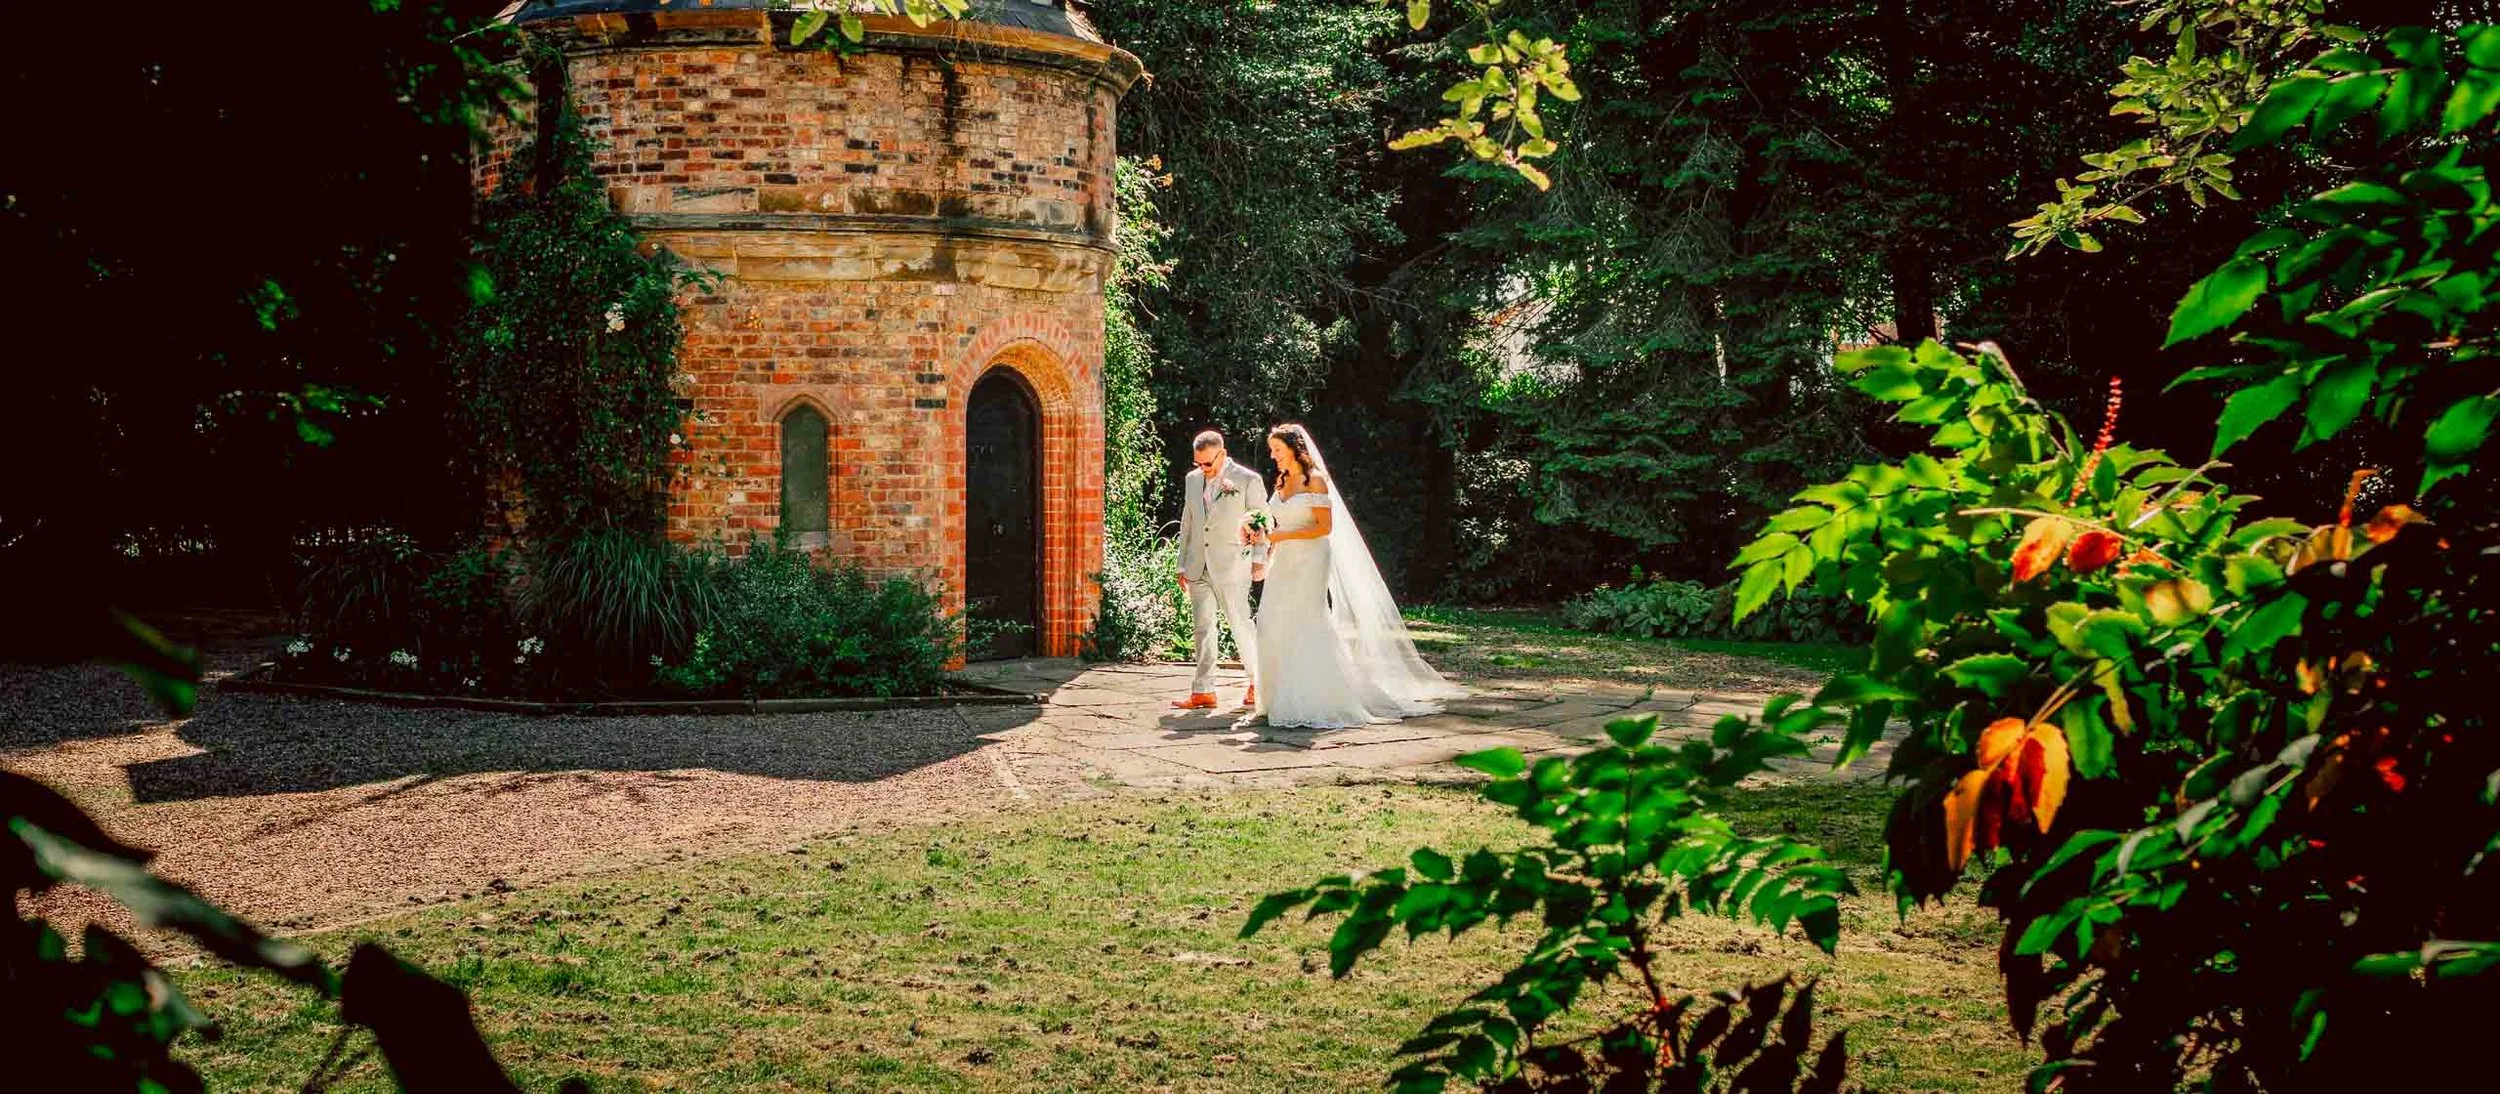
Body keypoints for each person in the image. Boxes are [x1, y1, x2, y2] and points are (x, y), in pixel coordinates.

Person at [1245, 423, 1464, 729]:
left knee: (1305, 621)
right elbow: (1274, 522)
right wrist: (1261, 537)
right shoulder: (1281, 481)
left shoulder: (1316, 481)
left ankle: (1311, 698)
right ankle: (1273, 699)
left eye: (1277, 450)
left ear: (1295, 449)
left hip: (1310, 559)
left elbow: (1323, 527)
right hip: (1283, 561)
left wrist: (1278, 537)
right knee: (1270, 621)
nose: (1273, 455)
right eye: (1272, 450)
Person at [1172, 430, 1267, 710]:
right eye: (1198, 464)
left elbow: (1262, 522)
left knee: (1240, 624)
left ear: (1222, 454)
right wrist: (1181, 563)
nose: (1203, 469)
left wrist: (1259, 560)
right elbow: (1188, 522)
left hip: (1232, 564)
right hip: (1197, 564)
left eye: (1208, 464)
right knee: (1202, 628)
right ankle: (1203, 690)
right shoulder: (1192, 481)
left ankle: (1258, 682)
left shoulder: (1248, 480)